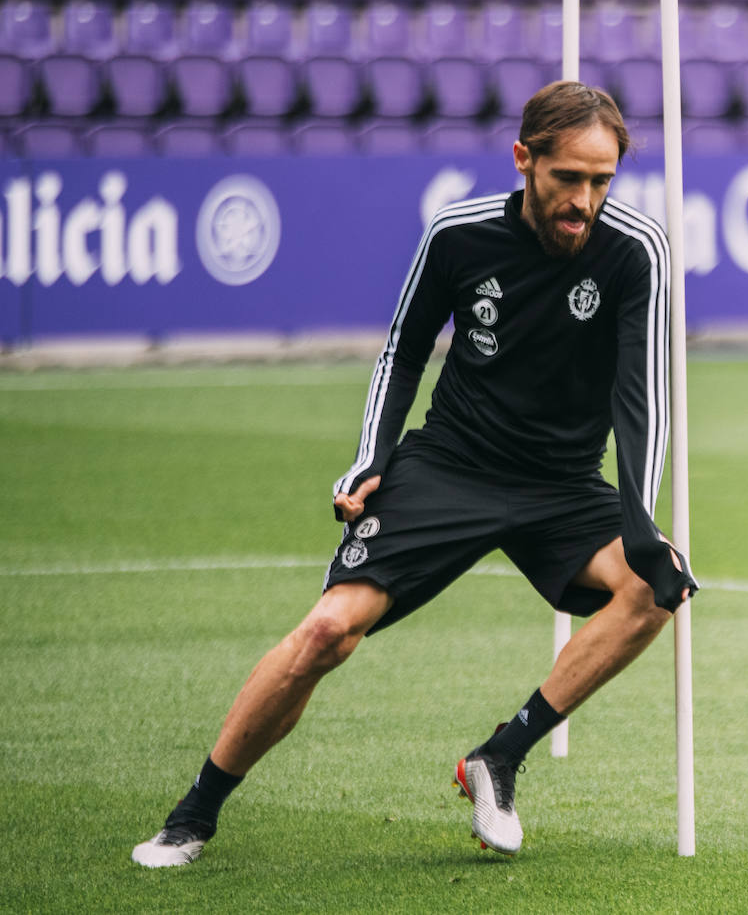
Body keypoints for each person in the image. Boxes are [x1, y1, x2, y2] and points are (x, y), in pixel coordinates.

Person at [132, 81, 697, 867]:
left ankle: (499, 756)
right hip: (452, 464)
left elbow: (643, 395)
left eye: (602, 181)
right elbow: (403, 351)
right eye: (568, 178)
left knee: (659, 584)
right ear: (524, 159)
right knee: (328, 632)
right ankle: (194, 814)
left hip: (563, 483)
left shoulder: (636, 248)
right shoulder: (458, 235)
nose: (586, 200)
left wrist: (638, 518)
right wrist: (370, 459)